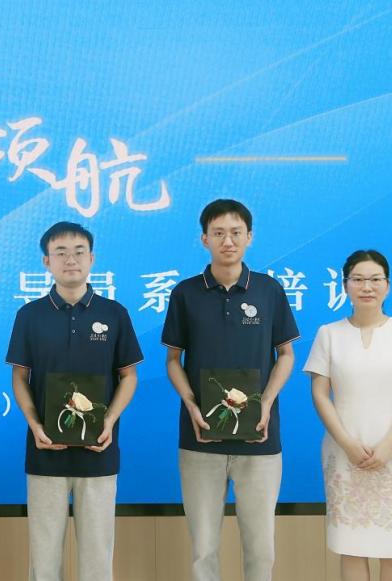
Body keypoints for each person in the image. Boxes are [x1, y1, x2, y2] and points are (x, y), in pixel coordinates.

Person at [161, 199, 299, 581]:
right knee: (204, 549)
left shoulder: (269, 290)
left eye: (236, 232)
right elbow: (173, 360)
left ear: (249, 237)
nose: (228, 240)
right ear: (204, 239)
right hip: (200, 439)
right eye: (218, 233)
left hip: (260, 438)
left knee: (261, 548)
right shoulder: (185, 293)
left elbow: (286, 355)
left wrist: (266, 402)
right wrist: (191, 404)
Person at [6, 222, 142, 581]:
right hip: (45, 453)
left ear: (92, 258)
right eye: (61, 253)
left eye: (79, 251)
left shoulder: (114, 314)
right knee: (44, 561)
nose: (71, 260)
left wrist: (109, 421)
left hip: (99, 452)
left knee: (97, 559)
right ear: (46, 261)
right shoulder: (30, 315)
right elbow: (19, 378)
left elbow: (129, 376)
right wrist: (35, 424)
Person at [304, 250, 392, 581]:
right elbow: (320, 394)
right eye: (358, 279)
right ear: (345, 285)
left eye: (375, 279)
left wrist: (389, 445)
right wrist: (347, 444)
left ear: (387, 286)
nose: (367, 287)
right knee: (351, 548)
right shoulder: (328, 334)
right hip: (343, 453)